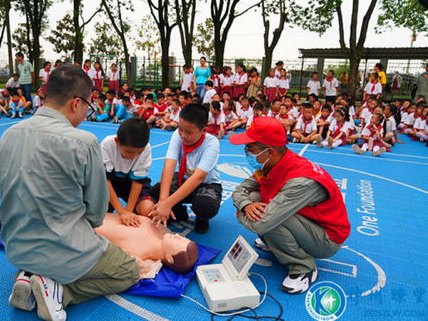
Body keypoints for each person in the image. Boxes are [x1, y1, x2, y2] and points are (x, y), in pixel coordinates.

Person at [0, 64, 140, 321]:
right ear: (76, 103)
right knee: (128, 271)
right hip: (63, 250)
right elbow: (96, 213)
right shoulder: (83, 142)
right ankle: (60, 292)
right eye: (88, 106)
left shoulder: (8, 135)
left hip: (16, 247)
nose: (87, 113)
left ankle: (30, 277)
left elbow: (3, 189)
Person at [229, 117, 350, 294]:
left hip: (326, 238)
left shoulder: (301, 180)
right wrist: (245, 205)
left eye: (250, 148)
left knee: (268, 218)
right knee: (255, 198)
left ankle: (303, 268)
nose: (246, 152)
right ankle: (276, 242)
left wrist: (240, 214)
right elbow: (241, 190)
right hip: (305, 222)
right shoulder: (272, 164)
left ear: (269, 151)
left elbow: (262, 223)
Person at [0, 197, 198, 277]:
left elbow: (127, 268)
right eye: (183, 238)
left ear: (168, 259)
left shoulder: (144, 257)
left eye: (179, 243)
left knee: (32, 224)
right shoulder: (160, 232)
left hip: (77, 229)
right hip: (85, 213)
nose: (179, 237)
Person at [150, 103, 223, 234]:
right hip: (183, 178)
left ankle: (202, 219)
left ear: (203, 129)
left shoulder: (211, 143)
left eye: (189, 132)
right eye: (180, 129)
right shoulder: (177, 136)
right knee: (156, 191)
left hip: (206, 184)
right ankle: (178, 213)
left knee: (205, 206)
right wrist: (162, 200)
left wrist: (167, 203)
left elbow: (198, 178)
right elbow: (169, 165)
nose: (183, 135)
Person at [101, 118, 155, 226]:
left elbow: (138, 182)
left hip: (131, 183)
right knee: (99, 210)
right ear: (117, 141)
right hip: (111, 182)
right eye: (129, 152)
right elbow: (105, 180)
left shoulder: (146, 148)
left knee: (148, 210)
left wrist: (128, 211)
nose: (133, 156)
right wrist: (121, 212)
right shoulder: (107, 144)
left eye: (139, 152)